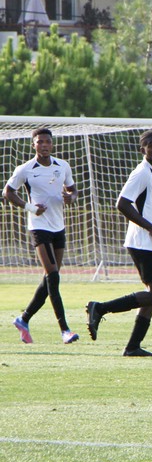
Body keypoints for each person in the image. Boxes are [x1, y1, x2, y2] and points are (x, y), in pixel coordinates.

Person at [85, 130, 152, 357]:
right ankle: (100, 307)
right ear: (142, 149)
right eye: (151, 145)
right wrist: (151, 228)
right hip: (142, 241)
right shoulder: (141, 173)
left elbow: (151, 207)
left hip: (150, 241)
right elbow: (122, 204)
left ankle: (133, 346)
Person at [3, 128, 80, 344]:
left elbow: (73, 190)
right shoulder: (25, 169)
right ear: (33, 145)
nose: (44, 145)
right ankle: (64, 330)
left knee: (50, 279)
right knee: (53, 276)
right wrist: (30, 207)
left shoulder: (62, 166)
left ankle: (23, 318)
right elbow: (8, 192)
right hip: (38, 227)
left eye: (48, 141)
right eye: (40, 142)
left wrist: (71, 198)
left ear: (52, 144)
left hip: (58, 226)